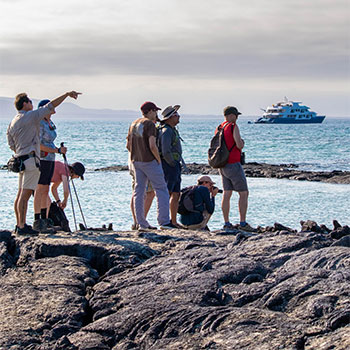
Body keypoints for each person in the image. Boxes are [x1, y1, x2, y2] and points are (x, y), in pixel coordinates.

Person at [7, 91, 81, 235]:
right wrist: (66, 95)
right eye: (29, 102)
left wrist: (22, 148)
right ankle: (22, 227)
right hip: (30, 160)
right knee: (26, 195)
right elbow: (51, 105)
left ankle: (19, 224)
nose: (32, 104)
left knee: (20, 193)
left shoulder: (13, 121)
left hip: (19, 159)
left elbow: (11, 144)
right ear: (24, 104)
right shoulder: (29, 116)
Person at [126, 101, 176, 231]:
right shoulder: (149, 124)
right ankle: (164, 221)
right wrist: (158, 159)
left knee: (139, 191)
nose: (157, 114)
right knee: (161, 189)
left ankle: (141, 223)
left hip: (136, 160)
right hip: (149, 160)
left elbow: (128, 145)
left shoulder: (134, 124)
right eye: (155, 111)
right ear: (150, 111)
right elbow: (152, 145)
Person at [32, 99, 67, 233]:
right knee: (40, 188)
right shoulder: (40, 123)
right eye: (51, 109)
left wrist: (58, 150)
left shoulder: (49, 122)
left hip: (50, 158)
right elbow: (38, 144)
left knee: (45, 189)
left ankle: (44, 219)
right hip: (42, 158)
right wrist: (57, 150)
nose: (54, 111)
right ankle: (37, 220)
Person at [218, 106, 254, 231]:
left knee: (227, 193)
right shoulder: (233, 126)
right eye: (236, 115)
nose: (237, 118)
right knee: (243, 193)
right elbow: (239, 144)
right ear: (231, 115)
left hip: (222, 164)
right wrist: (242, 143)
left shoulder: (220, 127)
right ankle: (243, 223)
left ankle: (226, 222)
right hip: (233, 163)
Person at [157, 105, 183, 226]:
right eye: (176, 115)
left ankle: (173, 220)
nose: (178, 117)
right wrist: (172, 163)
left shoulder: (171, 129)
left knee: (176, 192)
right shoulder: (166, 131)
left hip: (174, 165)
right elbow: (165, 150)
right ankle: (165, 220)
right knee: (167, 192)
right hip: (169, 165)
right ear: (170, 118)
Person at [128, 155, 155, 230]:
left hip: (134, 160)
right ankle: (140, 222)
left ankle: (138, 222)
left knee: (137, 191)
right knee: (148, 192)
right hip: (142, 160)